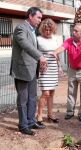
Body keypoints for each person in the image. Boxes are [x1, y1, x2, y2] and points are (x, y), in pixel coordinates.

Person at [10, 7, 47, 135]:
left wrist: (41, 61)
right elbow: (26, 45)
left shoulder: (33, 31)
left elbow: (34, 47)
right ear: (30, 16)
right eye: (38, 18)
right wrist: (40, 56)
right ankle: (23, 125)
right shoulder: (21, 28)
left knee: (32, 98)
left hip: (32, 70)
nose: (40, 21)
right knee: (23, 99)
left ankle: (31, 121)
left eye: (41, 18)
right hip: (22, 70)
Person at [49, 23, 81, 122]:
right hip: (72, 70)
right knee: (71, 91)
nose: (73, 32)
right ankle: (70, 112)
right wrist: (55, 52)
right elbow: (62, 47)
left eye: (76, 31)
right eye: (73, 30)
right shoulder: (69, 41)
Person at [36, 18, 63, 125]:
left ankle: (50, 114)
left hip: (53, 68)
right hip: (44, 69)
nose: (48, 32)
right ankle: (39, 115)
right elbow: (35, 53)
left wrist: (60, 66)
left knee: (51, 92)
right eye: (46, 29)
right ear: (42, 29)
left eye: (50, 30)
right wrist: (39, 64)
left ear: (53, 30)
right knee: (45, 93)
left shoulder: (55, 39)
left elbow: (57, 54)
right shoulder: (38, 39)